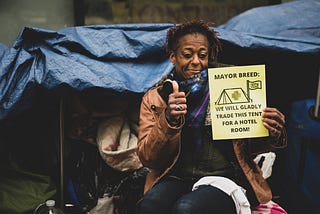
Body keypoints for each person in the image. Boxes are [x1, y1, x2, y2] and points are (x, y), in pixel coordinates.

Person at [136, 19, 287, 214]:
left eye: (203, 55)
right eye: (187, 55)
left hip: (224, 177)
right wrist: (169, 120)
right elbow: (149, 159)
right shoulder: (157, 97)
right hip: (175, 176)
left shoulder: (233, 83)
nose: (196, 62)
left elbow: (251, 146)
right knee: (150, 205)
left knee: (186, 209)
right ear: (173, 57)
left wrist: (274, 132)